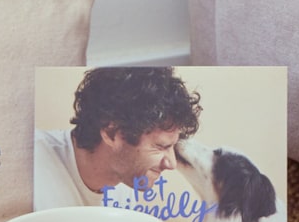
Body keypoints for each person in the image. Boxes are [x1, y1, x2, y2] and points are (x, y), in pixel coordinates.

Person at [33, 66, 202, 209]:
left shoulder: (125, 184)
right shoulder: (32, 164)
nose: (171, 164)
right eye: (160, 146)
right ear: (111, 133)